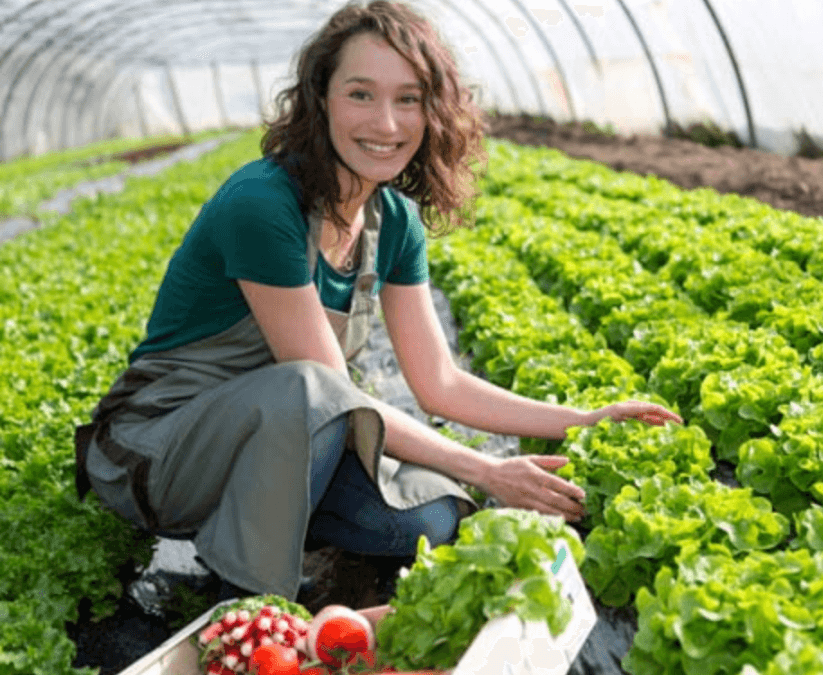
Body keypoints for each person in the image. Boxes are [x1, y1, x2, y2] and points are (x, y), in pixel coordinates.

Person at [74, 0, 681, 602]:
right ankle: (252, 609)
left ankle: (264, 523)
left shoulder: (393, 220)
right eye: (360, 94)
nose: (387, 124)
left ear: (433, 111)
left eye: (408, 99)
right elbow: (325, 394)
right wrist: (489, 470)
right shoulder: (262, 203)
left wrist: (580, 421)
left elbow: (440, 382)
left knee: (428, 519)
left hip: (280, 447)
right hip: (161, 453)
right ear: (320, 101)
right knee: (310, 388)